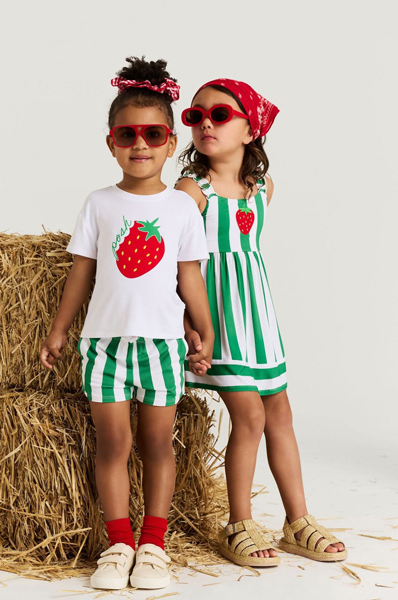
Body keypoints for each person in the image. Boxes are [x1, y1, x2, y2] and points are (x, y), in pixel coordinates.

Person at [40, 57, 214, 590]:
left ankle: (153, 546)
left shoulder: (182, 208)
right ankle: (118, 544)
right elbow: (82, 271)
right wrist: (59, 329)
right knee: (113, 445)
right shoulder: (98, 204)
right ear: (111, 143)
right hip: (104, 346)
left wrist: (205, 329)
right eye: (127, 134)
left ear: (169, 142)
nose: (140, 144)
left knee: (157, 445)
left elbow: (189, 277)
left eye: (153, 134)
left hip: (162, 346)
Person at [176, 78, 347, 566]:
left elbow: (245, 257)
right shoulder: (191, 191)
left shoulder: (262, 190)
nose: (206, 123)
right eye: (195, 116)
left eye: (220, 115)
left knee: (280, 415)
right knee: (249, 416)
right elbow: (177, 264)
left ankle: (297, 520)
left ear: (251, 130)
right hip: (217, 318)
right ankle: (239, 523)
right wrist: (190, 324)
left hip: (257, 317)